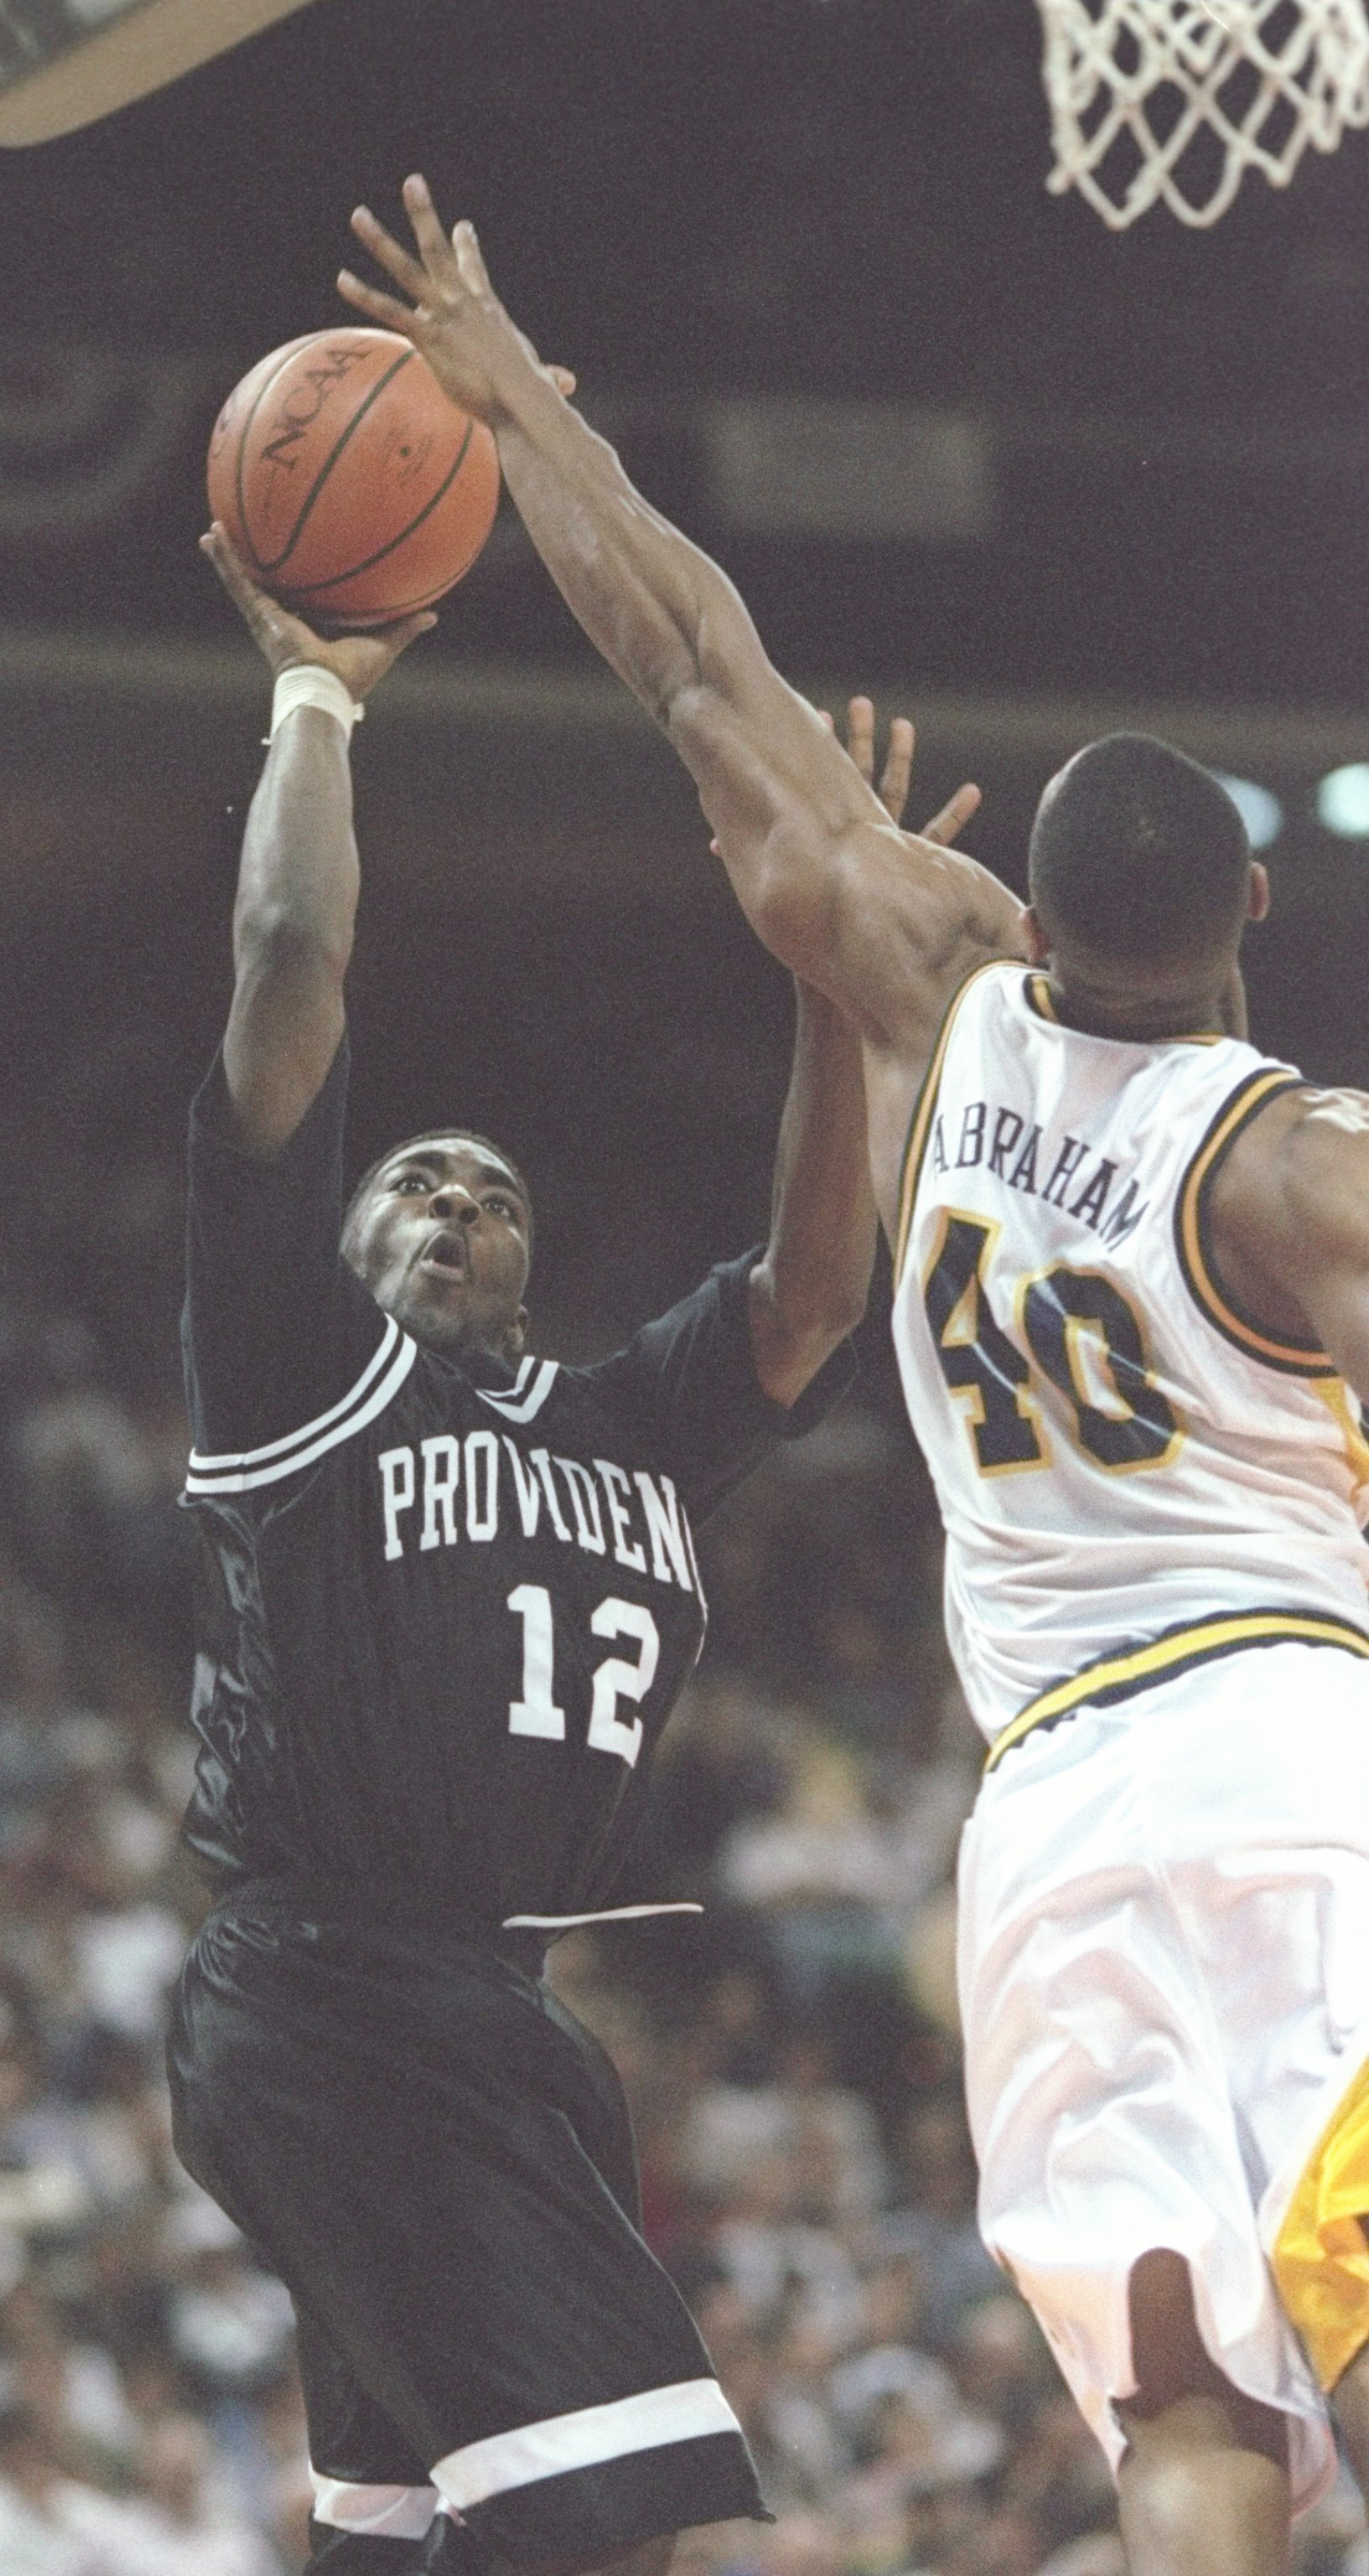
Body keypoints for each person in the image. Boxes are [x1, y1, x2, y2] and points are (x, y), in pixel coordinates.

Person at [334, 175, 1369, 2576]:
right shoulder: (1309, 1175)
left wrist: (509, 402)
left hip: (1046, 1817)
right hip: (1291, 1745)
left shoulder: (927, 988)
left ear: (1042, 913)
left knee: (1188, 2403)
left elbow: (696, 663)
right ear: (1255, 910)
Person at [165, 517, 972, 2576]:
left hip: (488, 2020)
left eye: (492, 1193)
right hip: (339, 1995)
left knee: (407, 2538)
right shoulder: (295, 1368)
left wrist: (828, 982)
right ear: (344, 1241)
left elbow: (810, 1294)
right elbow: (289, 967)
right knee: (667, 2532)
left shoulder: (625, 1421)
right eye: (413, 1183)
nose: (451, 1202)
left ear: (531, 1265)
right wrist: (315, 699)